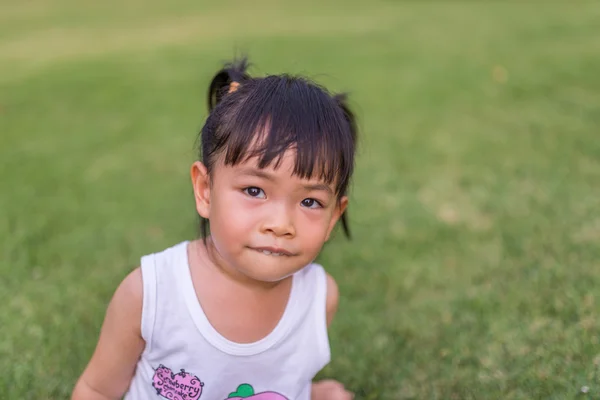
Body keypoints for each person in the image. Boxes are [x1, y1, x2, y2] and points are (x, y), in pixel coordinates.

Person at [72, 58, 358, 400]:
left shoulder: (318, 297)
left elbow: (268, 378)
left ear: (334, 217)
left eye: (310, 202)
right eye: (255, 191)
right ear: (205, 190)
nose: (281, 225)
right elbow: (96, 390)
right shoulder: (152, 294)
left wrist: (308, 392)